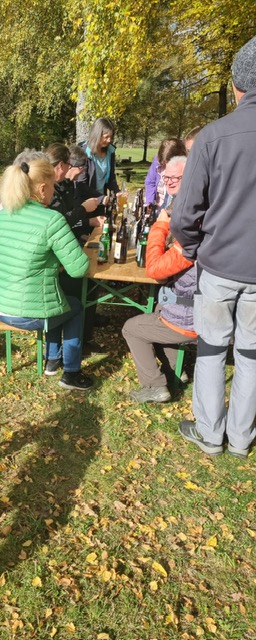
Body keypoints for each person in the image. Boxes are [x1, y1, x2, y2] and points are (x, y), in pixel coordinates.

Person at [170, 35, 256, 458]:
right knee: (251, 355)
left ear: (237, 86)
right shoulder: (213, 136)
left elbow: (184, 213)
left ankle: (210, 433)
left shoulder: (214, 136)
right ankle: (240, 438)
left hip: (219, 265)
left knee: (211, 349)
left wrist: (190, 247)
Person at [0, 158, 94, 391]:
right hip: (27, 313)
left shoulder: (2, 216)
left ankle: (53, 359)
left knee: (56, 302)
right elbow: (78, 269)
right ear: (43, 188)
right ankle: (71, 373)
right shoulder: (52, 219)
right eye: (54, 186)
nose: (55, 191)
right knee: (74, 307)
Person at [122, 156, 196, 403]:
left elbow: (155, 270)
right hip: (199, 306)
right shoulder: (195, 206)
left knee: (131, 328)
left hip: (196, 316)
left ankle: (155, 386)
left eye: (176, 178)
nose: (169, 182)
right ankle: (177, 371)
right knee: (159, 309)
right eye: (166, 177)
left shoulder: (191, 226)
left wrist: (160, 226)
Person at [45, 143, 106, 351]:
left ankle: (86, 329)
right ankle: (79, 338)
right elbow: (61, 221)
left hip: (67, 246)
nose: (81, 172)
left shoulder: (66, 185)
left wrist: (83, 227)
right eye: (78, 167)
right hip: (57, 255)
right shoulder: (49, 190)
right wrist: (83, 210)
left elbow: (69, 221)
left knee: (92, 280)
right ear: (63, 165)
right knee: (83, 283)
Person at [80, 117, 120, 199]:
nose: (109, 140)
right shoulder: (84, 153)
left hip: (102, 199)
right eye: (106, 137)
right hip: (86, 200)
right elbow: (81, 184)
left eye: (111, 137)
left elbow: (111, 178)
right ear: (97, 135)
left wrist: (117, 192)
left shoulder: (110, 152)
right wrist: (100, 198)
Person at [144, 138, 187, 207]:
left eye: (168, 163)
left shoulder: (185, 166)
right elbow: (150, 182)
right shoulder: (157, 161)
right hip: (158, 205)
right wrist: (149, 202)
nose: (166, 167)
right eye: (163, 164)